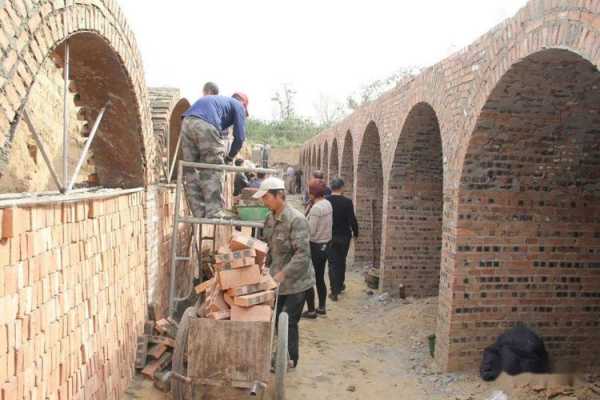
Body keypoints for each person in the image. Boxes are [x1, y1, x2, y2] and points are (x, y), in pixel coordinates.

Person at [253, 177, 315, 368]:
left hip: (297, 283)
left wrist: (283, 273)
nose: (264, 202)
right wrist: (264, 266)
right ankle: (279, 355)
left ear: (279, 195)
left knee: (288, 322)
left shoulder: (296, 220)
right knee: (275, 319)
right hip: (276, 281)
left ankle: (289, 359)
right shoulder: (269, 218)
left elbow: (302, 255)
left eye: (266, 197)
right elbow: (269, 247)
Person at [180, 92, 249, 218]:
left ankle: (199, 212)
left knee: (191, 169)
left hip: (186, 122)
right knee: (214, 167)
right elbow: (240, 137)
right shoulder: (238, 106)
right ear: (244, 104)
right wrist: (229, 158)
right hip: (205, 124)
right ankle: (214, 211)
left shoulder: (219, 102)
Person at [302, 179, 333, 318]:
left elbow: (311, 231)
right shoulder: (327, 203)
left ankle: (311, 310)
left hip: (315, 245)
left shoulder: (316, 208)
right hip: (326, 244)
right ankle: (322, 307)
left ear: (312, 193)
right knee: (320, 278)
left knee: (308, 278)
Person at [326, 177, 358, 300]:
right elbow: (352, 220)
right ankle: (340, 285)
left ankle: (334, 291)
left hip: (330, 236)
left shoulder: (326, 201)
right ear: (342, 187)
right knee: (341, 261)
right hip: (344, 236)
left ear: (331, 187)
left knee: (332, 263)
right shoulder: (347, 202)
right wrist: (356, 233)